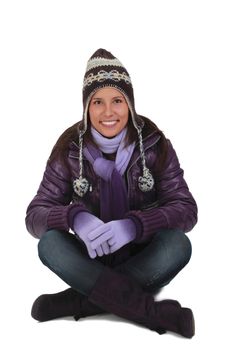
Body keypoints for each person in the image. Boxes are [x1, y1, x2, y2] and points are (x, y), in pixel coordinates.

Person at [25, 48, 198, 338]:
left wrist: (135, 226)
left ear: (129, 104)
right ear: (86, 108)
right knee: (49, 244)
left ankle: (79, 300)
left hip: (142, 257)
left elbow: (186, 209)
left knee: (179, 245)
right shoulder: (68, 149)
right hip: (88, 258)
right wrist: (74, 217)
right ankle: (151, 312)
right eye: (97, 102)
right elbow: (35, 215)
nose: (108, 112)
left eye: (117, 100)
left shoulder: (156, 145)